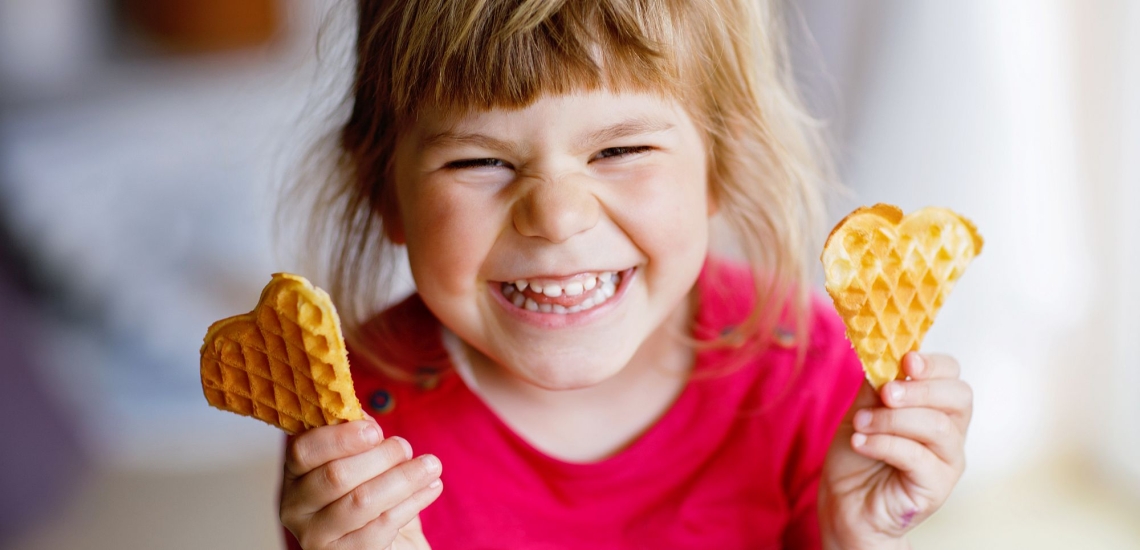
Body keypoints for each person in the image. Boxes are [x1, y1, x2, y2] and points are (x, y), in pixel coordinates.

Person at [278, 1, 973, 548]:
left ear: (717, 168)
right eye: (479, 161)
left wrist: (860, 536)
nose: (555, 216)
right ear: (383, 190)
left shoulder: (808, 369)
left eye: (619, 149)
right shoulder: (348, 418)